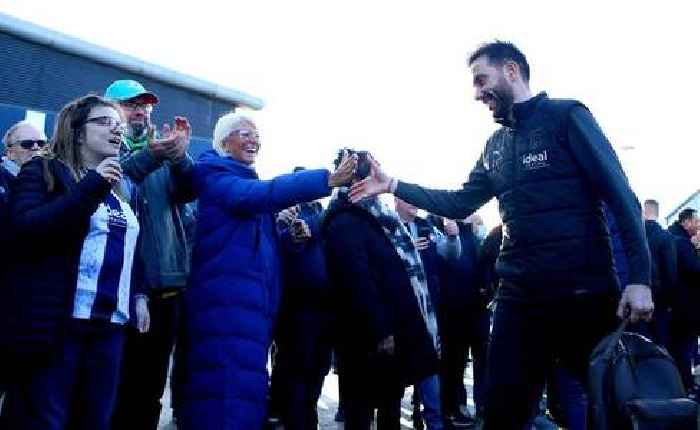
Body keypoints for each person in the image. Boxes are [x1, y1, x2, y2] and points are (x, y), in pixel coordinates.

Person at [349, 40, 652, 429]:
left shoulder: (567, 117)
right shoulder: (495, 145)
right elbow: (459, 203)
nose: (476, 94)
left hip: (584, 293)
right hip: (519, 299)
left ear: (512, 71)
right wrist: (392, 184)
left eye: (481, 80)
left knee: (610, 407)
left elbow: (622, 196)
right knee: (500, 413)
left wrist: (640, 279)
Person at [178, 113, 356, 429]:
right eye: (244, 133)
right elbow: (255, 196)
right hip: (224, 311)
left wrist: (289, 239)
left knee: (245, 397)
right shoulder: (214, 174)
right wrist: (325, 180)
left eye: (256, 135)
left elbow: (257, 245)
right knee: (223, 398)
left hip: (251, 315)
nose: (253, 140)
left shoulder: (245, 182)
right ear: (223, 142)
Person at [0, 94, 148, 429]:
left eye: (120, 125)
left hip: (109, 326)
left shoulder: (122, 188)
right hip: (60, 323)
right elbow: (26, 229)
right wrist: (91, 187)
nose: (116, 130)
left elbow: (127, 247)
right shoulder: (44, 170)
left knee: (94, 420)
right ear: (78, 131)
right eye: (104, 122)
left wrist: (139, 293)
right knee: (45, 419)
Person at [322, 149, 439, 430]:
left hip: (390, 334)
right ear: (358, 179)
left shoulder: (378, 217)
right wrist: (382, 331)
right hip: (367, 339)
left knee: (389, 405)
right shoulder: (346, 220)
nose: (380, 177)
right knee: (361, 409)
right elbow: (357, 281)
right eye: (373, 171)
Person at [106, 79, 196, 429]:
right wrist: (156, 154)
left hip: (166, 286)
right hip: (118, 289)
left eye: (145, 105)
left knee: (150, 389)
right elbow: (116, 181)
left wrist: (181, 158)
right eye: (131, 104)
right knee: (112, 385)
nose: (140, 110)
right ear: (110, 110)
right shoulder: (104, 150)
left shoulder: (164, 153)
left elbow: (189, 191)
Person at [268, 180, 334, 430]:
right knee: (296, 370)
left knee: (317, 369)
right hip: (296, 311)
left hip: (325, 311)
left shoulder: (322, 217)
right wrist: (286, 229)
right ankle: (291, 418)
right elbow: (279, 251)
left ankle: (305, 417)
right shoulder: (281, 214)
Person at [395, 197, 461, 430]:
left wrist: (453, 238)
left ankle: (433, 421)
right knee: (394, 386)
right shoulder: (387, 225)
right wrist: (404, 247)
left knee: (431, 375)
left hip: (429, 316)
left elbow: (450, 254)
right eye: (408, 199)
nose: (414, 203)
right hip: (401, 316)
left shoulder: (427, 226)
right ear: (395, 200)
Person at [439, 216, 489, 426]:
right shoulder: (443, 229)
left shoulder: (478, 234)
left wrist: (487, 286)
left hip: (479, 310)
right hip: (454, 312)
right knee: (455, 362)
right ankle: (457, 406)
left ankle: (483, 405)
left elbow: (488, 263)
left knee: (483, 361)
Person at [668, 208, 700, 392]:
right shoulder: (681, 243)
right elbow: (695, 270)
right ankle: (687, 386)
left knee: (681, 349)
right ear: (686, 222)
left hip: (675, 306)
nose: (698, 225)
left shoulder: (670, 237)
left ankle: (683, 384)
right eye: (696, 221)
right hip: (687, 306)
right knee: (685, 348)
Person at [641, 199, 677, 347]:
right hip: (660, 299)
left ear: (643, 212)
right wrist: (670, 301)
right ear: (657, 213)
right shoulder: (665, 236)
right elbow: (671, 272)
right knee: (661, 344)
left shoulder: (635, 235)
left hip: (638, 296)